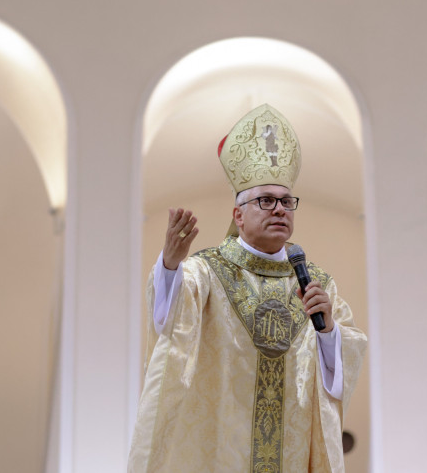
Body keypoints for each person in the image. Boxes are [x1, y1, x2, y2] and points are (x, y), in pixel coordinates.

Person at [128, 104, 367, 473]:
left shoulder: (318, 284)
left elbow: (340, 372)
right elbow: (169, 323)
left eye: (287, 202)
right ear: (238, 215)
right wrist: (170, 265)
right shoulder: (206, 272)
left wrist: (330, 332)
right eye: (266, 201)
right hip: (223, 450)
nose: (279, 210)